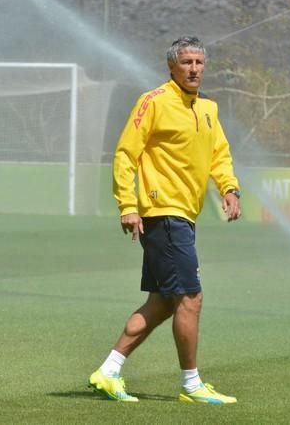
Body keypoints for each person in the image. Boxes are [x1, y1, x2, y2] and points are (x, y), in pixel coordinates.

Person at [88, 36, 241, 404]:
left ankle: (108, 371)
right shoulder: (153, 102)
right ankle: (192, 385)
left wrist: (229, 188)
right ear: (171, 67)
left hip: (185, 216)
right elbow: (126, 154)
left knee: (163, 302)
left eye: (199, 63)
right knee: (191, 297)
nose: (194, 69)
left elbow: (219, 153)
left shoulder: (208, 109)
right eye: (186, 62)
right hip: (163, 212)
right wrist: (128, 203)